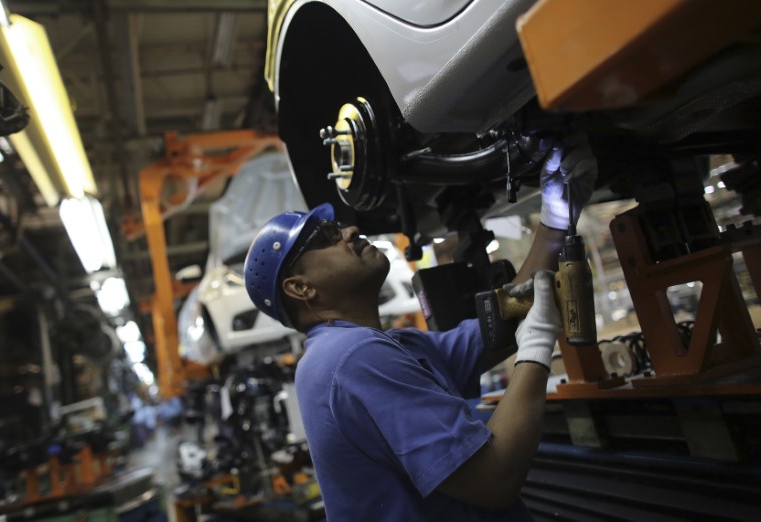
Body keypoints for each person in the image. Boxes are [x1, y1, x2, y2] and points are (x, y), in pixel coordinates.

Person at [243, 133, 597, 521]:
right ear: (301, 288)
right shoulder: (352, 358)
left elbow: (503, 321)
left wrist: (554, 219)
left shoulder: (388, 347)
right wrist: (536, 351)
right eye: (327, 238)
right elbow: (493, 480)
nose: (350, 231)